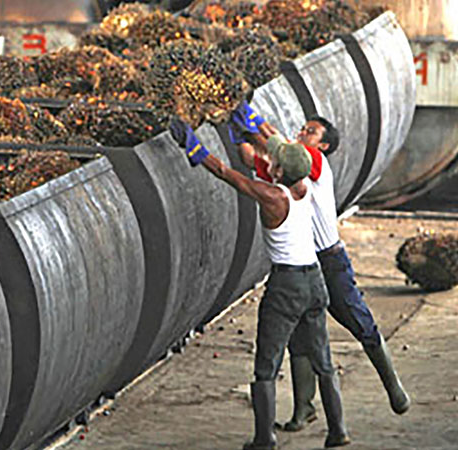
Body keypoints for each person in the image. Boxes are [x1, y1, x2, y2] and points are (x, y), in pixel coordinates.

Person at [169, 118, 349, 449]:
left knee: (267, 362)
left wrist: (194, 146)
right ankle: (338, 430)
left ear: (278, 171)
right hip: (315, 281)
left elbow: (226, 173)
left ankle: (265, 438)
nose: (269, 162)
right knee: (322, 357)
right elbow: (282, 153)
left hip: (287, 284)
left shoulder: (272, 196)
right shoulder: (307, 189)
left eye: (273, 163)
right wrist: (251, 128)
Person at [229, 103, 411, 431]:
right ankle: (304, 409)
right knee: (301, 340)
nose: (302, 133)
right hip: (304, 266)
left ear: (323, 145)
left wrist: (252, 122)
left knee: (359, 320)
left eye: (310, 131)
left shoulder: (316, 162)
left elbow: (279, 146)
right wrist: (234, 132)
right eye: (302, 128)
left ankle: (393, 386)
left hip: (330, 261)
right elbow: (250, 159)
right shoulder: (284, 169)